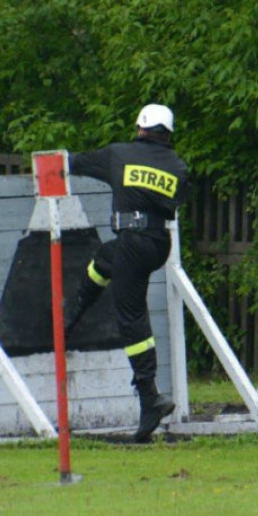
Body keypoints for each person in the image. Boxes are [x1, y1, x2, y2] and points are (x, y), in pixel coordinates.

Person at [64, 103, 191, 441]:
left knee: (131, 316)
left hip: (133, 241)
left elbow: (73, 163)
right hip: (157, 244)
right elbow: (171, 202)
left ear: (139, 128)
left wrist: (51, 164)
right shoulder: (178, 166)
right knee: (105, 258)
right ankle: (70, 317)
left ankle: (150, 397)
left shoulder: (119, 154)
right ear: (168, 134)